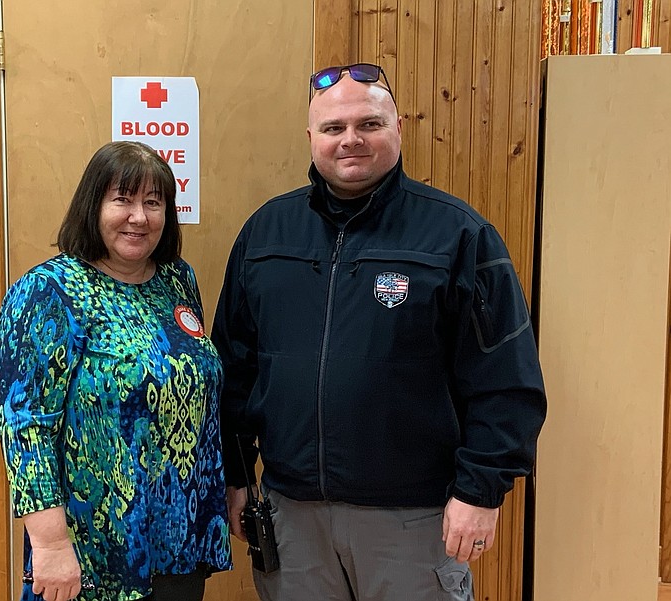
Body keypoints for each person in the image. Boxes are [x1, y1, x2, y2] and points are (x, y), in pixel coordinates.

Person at [211, 63, 547, 601]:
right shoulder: (265, 234)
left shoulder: (458, 235)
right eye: (333, 128)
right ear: (311, 137)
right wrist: (235, 476)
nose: (350, 140)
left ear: (397, 128)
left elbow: (507, 378)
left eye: (368, 124)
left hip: (414, 521)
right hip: (292, 520)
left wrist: (481, 492)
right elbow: (232, 369)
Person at [0, 141, 232, 601]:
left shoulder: (176, 280)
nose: (139, 217)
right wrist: (50, 544)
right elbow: (24, 427)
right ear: (93, 206)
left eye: (153, 202)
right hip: (93, 552)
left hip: (180, 543)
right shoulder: (49, 291)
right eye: (122, 199)